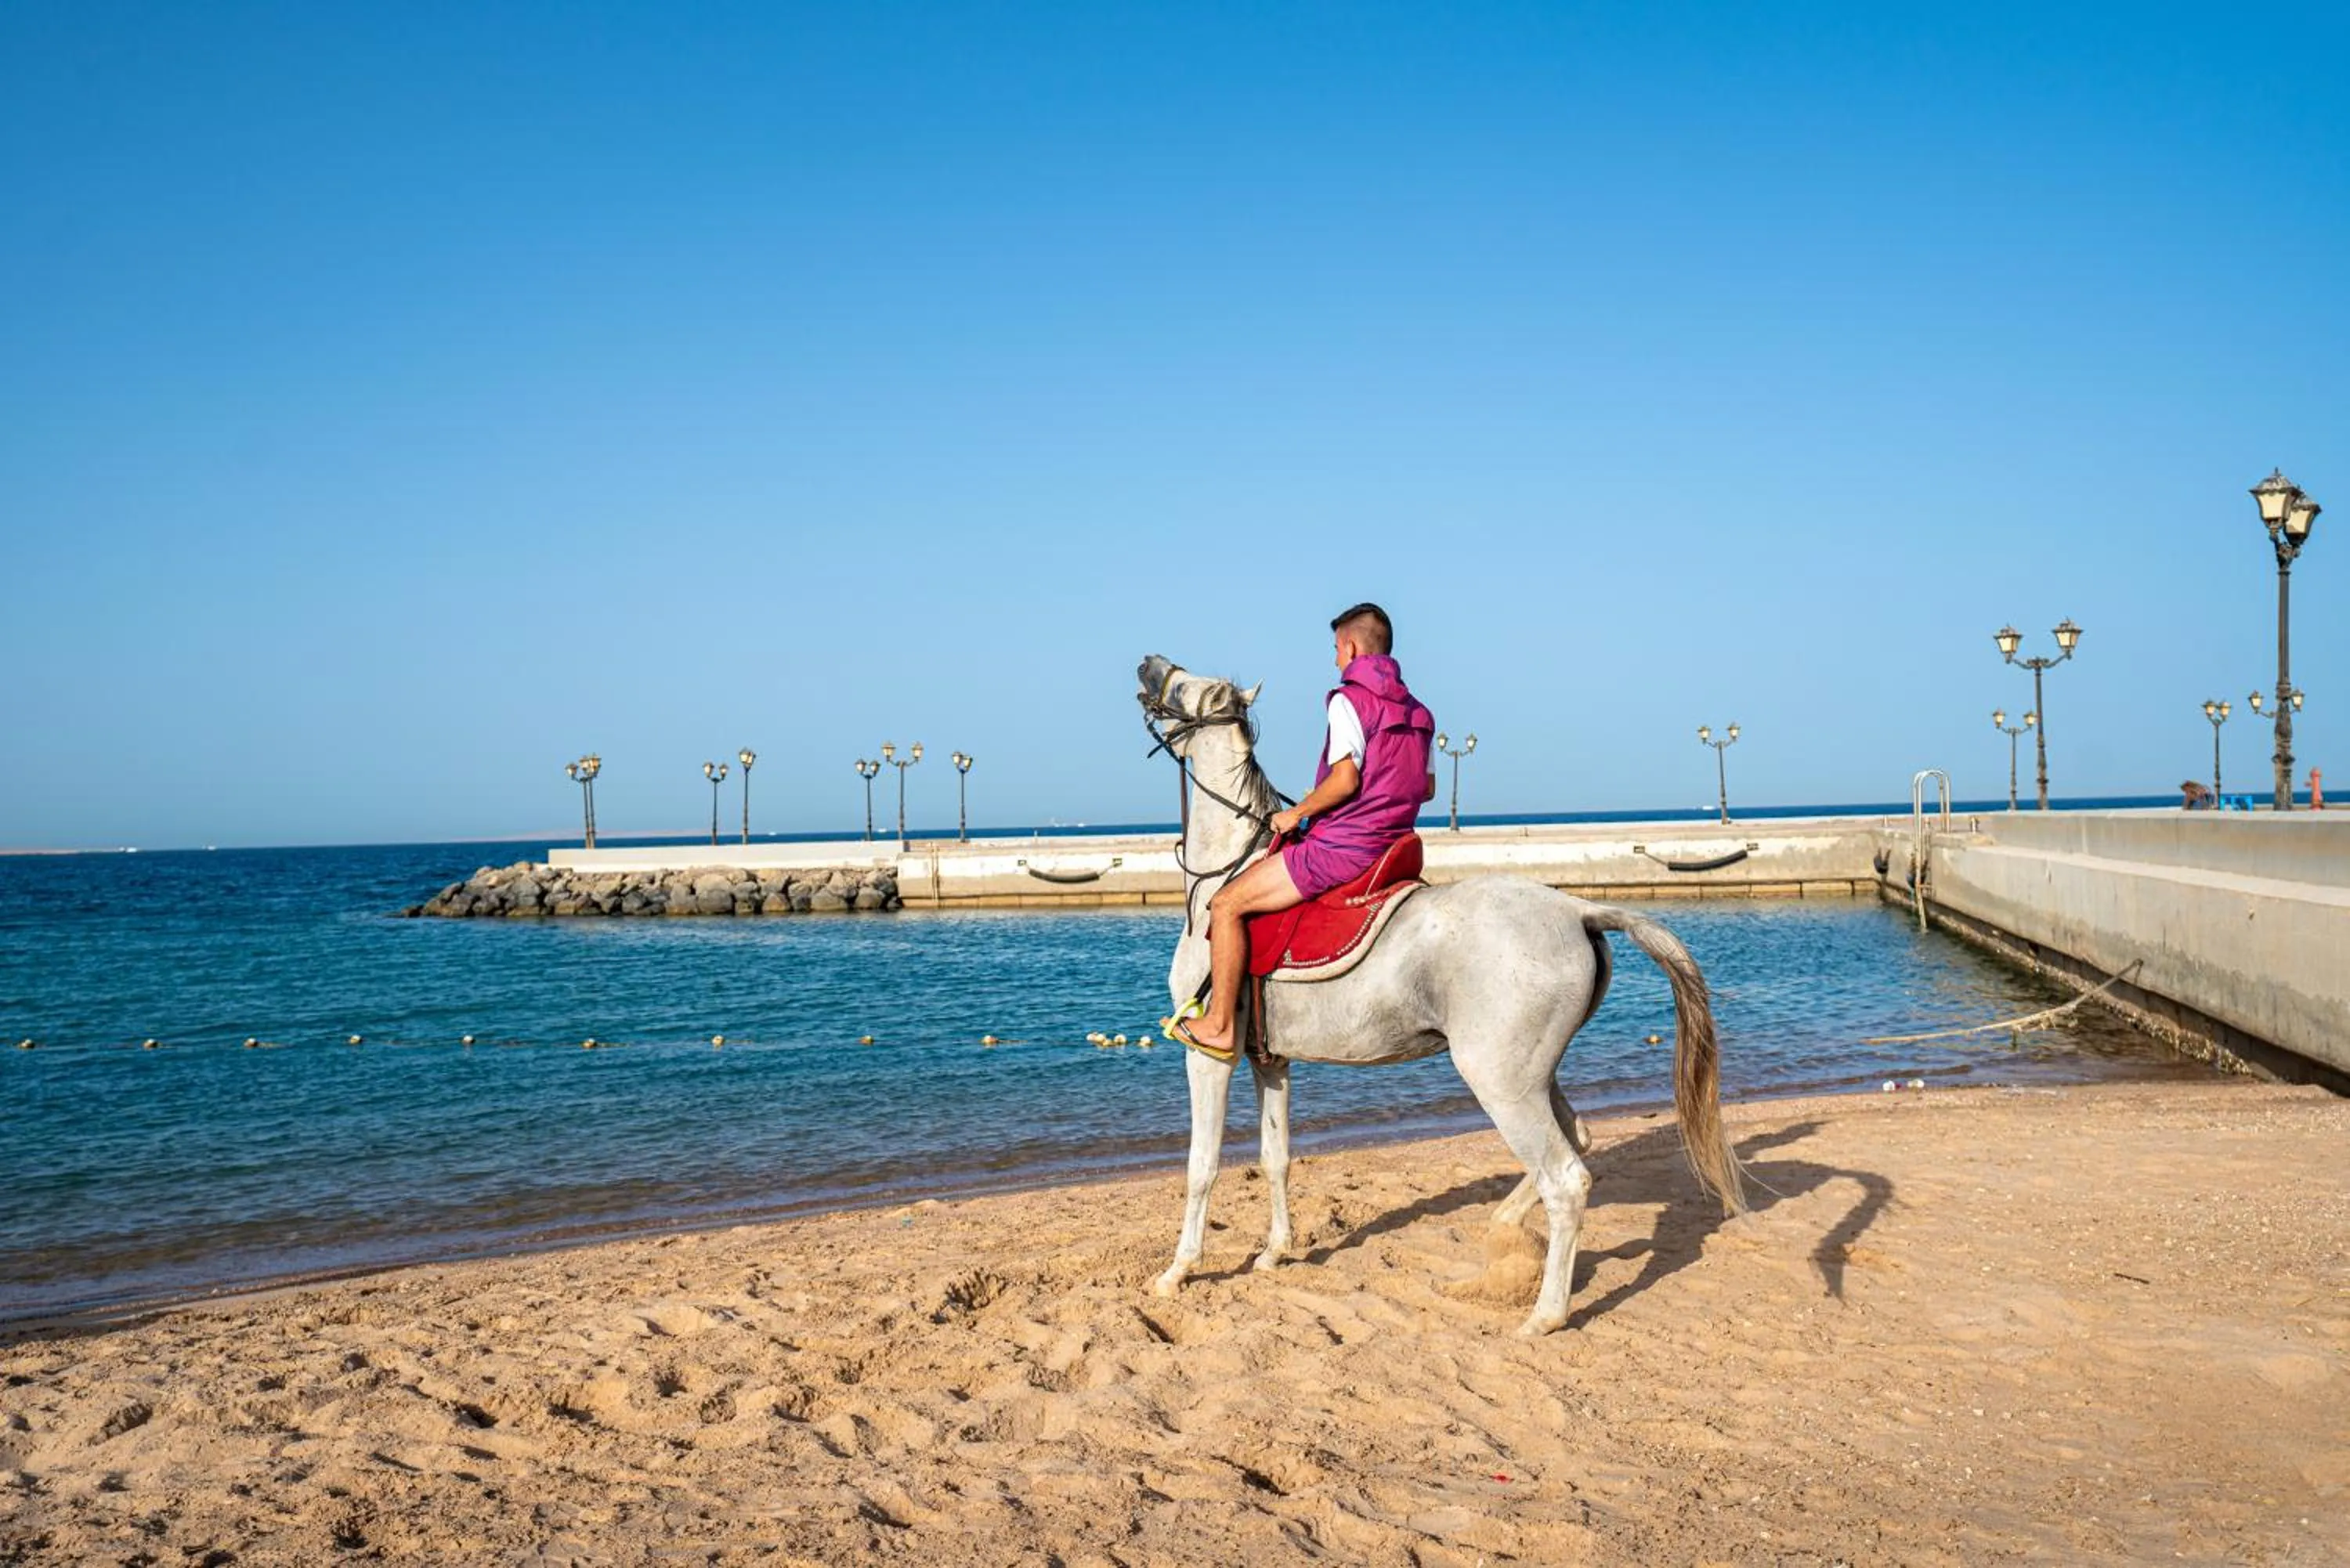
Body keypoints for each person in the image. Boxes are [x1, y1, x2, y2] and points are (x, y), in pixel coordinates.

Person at [1169, 602, 1436, 1061]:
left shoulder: (1349, 699)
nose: (1335, 659)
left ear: (1351, 646)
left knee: (1226, 903)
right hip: (1395, 844)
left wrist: (1299, 813)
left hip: (1344, 847)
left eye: (1336, 649)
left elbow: (1346, 780)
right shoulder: (1420, 714)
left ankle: (1220, 1025)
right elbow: (1425, 788)